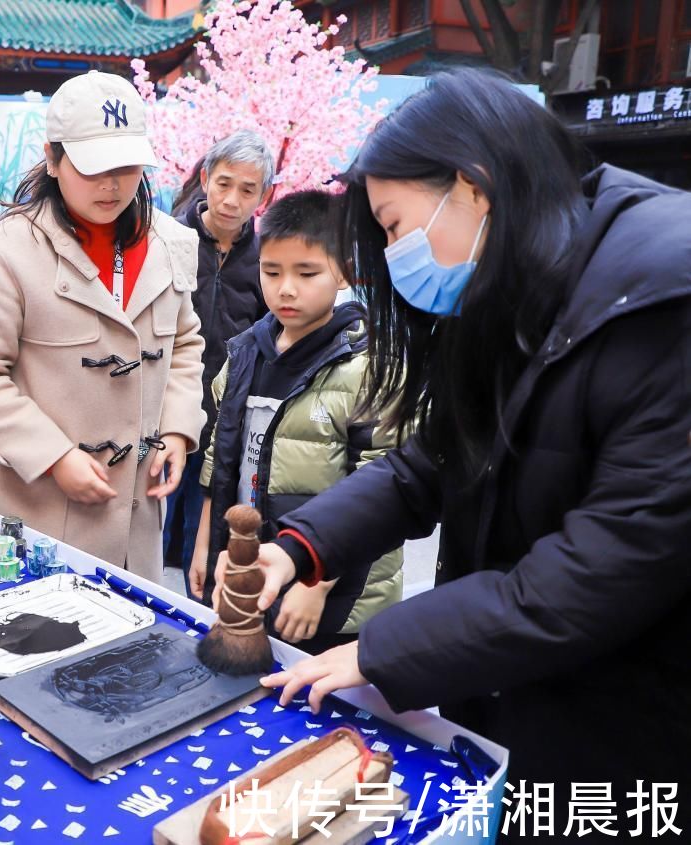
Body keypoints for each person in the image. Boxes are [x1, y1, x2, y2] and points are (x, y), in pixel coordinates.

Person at [235, 70, 689, 830]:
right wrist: (300, 547)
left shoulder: (662, 306)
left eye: (392, 224)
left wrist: (380, 652)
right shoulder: (528, 277)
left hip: (629, 721)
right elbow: (434, 462)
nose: (392, 253)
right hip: (522, 691)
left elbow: (594, 573)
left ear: (472, 188)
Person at [0, 70, 206, 584]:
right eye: (94, 167)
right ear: (53, 158)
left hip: (138, 516)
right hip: (44, 507)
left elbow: (184, 345)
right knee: (44, 642)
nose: (113, 185)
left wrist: (178, 429)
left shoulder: (171, 242)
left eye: (127, 166)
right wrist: (54, 456)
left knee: (132, 649)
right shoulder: (6, 252)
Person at [189, 191, 402, 654]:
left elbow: (382, 486)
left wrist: (318, 580)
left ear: (344, 271)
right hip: (252, 565)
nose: (286, 288)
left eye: (307, 273)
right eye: (271, 271)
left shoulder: (370, 366)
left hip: (338, 590)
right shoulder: (244, 353)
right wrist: (206, 544)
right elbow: (219, 459)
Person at [166, 130, 273, 597]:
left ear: (264, 196)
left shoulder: (267, 259)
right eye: (224, 183)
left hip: (226, 425)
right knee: (148, 541)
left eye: (248, 190)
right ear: (205, 178)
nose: (232, 200)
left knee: (205, 550)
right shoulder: (168, 239)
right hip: (165, 417)